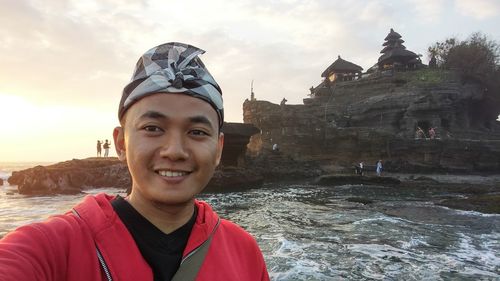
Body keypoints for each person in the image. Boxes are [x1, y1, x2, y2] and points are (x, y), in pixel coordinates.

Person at [0, 42, 269, 281]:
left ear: (219, 149)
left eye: (197, 132)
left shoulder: (244, 251)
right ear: (120, 143)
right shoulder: (52, 248)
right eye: (153, 128)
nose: (175, 151)